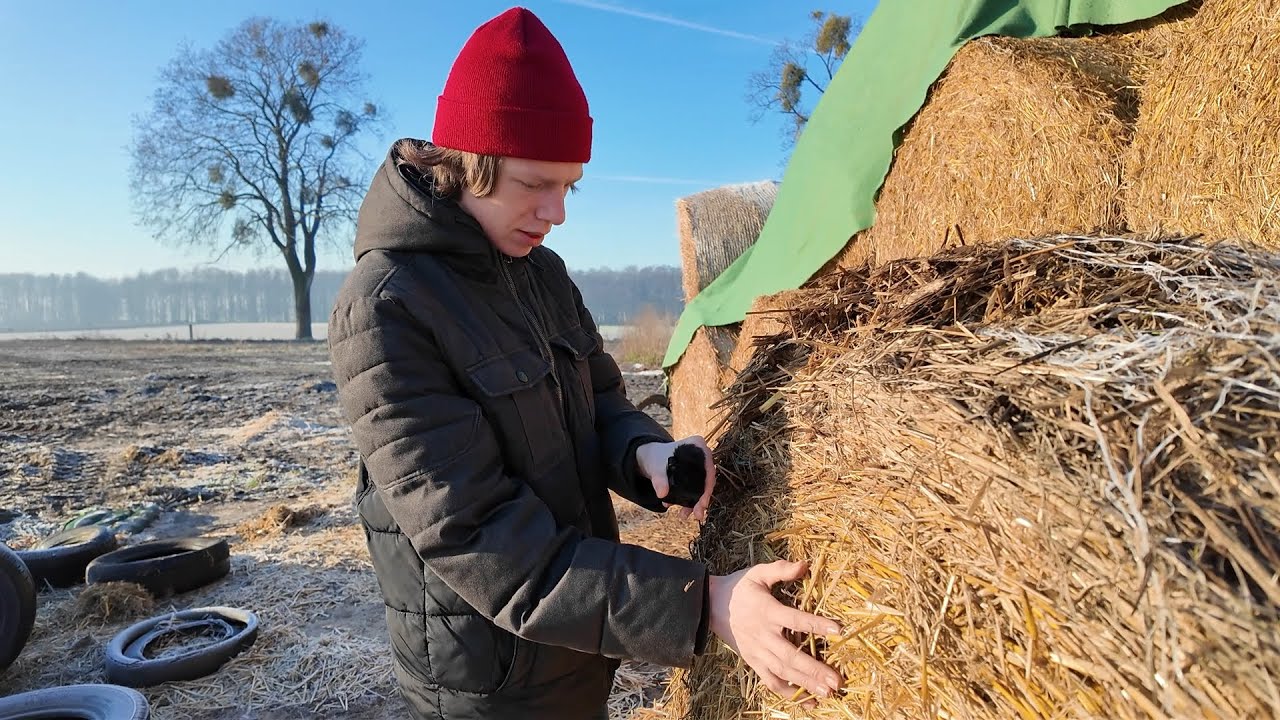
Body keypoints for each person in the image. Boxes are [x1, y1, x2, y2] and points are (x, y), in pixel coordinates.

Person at [327, 7, 842, 719]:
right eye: (537, 183)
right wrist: (706, 606)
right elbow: (481, 539)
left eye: (570, 185)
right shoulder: (387, 306)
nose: (558, 211)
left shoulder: (540, 272)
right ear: (470, 162)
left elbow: (599, 402)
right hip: (487, 674)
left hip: (579, 637)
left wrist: (648, 456)